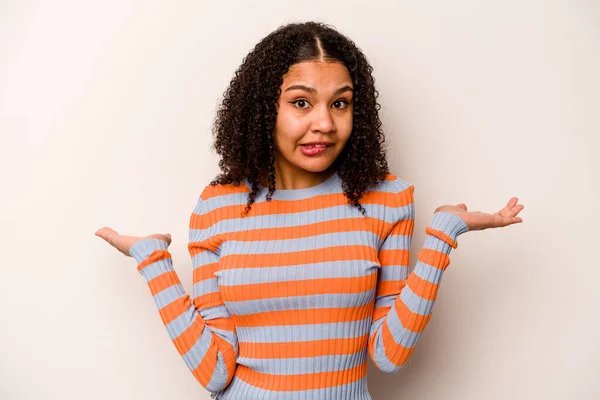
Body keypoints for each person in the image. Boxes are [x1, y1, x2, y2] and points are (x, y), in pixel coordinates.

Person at [95, 21, 524, 400]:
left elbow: (389, 354)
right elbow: (215, 371)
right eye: (301, 102)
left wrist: (442, 236)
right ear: (265, 110)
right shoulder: (218, 205)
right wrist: (153, 262)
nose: (325, 123)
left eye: (340, 103)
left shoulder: (386, 199)